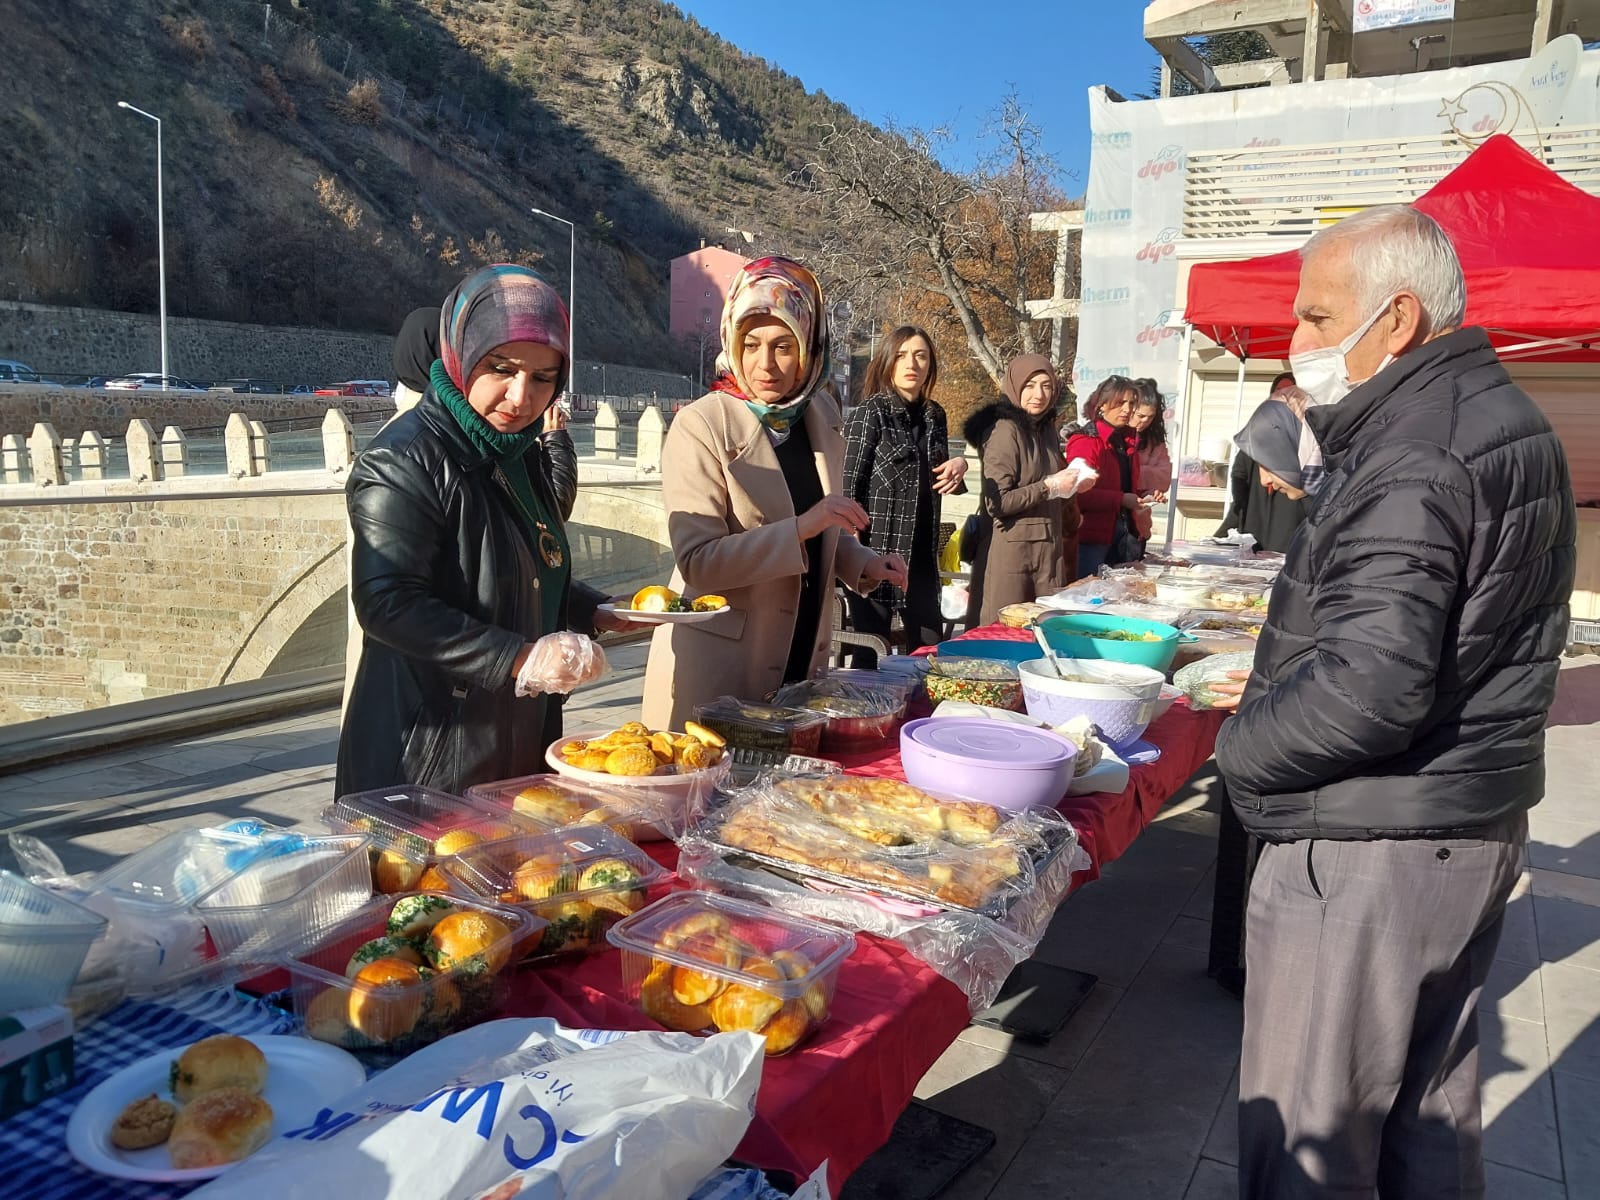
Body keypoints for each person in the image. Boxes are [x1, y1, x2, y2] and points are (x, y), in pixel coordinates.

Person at [1210, 205, 1575, 1198]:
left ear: (1397, 320)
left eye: (1319, 319)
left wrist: (1236, 755)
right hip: (1455, 824)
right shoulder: (1489, 419)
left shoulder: (1420, 448)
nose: (1301, 343)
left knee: (1309, 1141)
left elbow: (1369, 688)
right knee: (1422, 1121)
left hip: (1376, 840)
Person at [337, 265, 620, 797]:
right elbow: (387, 601)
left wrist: (593, 610)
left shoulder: (517, 450)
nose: (520, 397)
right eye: (501, 368)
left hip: (512, 735)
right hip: (431, 756)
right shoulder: (404, 458)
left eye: (542, 378)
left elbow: (517, 565)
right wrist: (519, 658)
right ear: (460, 356)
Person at [640, 257, 907, 728]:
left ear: (808, 348)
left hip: (801, 659)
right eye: (751, 344)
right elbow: (699, 561)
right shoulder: (701, 424)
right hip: (723, 670)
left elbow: (821, 527)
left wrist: (860, 561)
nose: (765, 364)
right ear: (732, 343)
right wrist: (806, 525)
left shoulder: (819, 414)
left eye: (783, 346)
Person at [841, 326, 967, 663]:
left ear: (930, 366)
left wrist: (960, 465)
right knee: (870, 651)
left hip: (923, 556)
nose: (911, 363)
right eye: (902, 355)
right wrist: (851, 546)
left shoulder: (934, 415)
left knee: (928, 650)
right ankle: (866, 716)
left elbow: (939, 473)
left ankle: (919, 715)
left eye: (921, 355)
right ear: (887, 362)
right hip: (876, 550)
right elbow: (848, 482)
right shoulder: (872, 412)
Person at [962, 355, 1083, 626]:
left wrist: (1073, 485)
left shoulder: (1046, 429)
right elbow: (998, 502)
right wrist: (1049, 486)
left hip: (1047, 552)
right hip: (1011, 557)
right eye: (1029, 386)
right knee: (1003, 636)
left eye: (1046, 386)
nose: (1038, 394)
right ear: (1015, 387)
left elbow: (1052, 484)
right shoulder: (1004, 430)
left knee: (1043, 636)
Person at [1214, 371, 1308, 552]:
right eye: (1279, 391)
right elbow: (1239, 471)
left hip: (1288, 527)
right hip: (1255, 517)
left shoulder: (1305, 441)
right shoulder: (1260, 430)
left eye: (1289, 391)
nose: (1284, 397)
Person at [1066, 375, 1144, 577]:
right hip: (1092, 539)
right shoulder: (1086, 440)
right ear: (1101, 405)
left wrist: (1144, 495)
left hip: (1126, 535)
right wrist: (1121, 499)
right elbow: (1077, 493)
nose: (1127, 409)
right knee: (1088, 599)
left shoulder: (1127, 441)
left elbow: (1125, 484)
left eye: (1132, 403)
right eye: (1120, 403)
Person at [1129, 378, 1170, 546]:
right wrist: (1146, 473)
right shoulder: (1112, 436)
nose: (1144, 421)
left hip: (1140, 526)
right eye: (1140, 416)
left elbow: (1165, 476)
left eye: (1150, 417)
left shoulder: (1154, 441)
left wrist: (1148, 489)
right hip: (1110, 524)